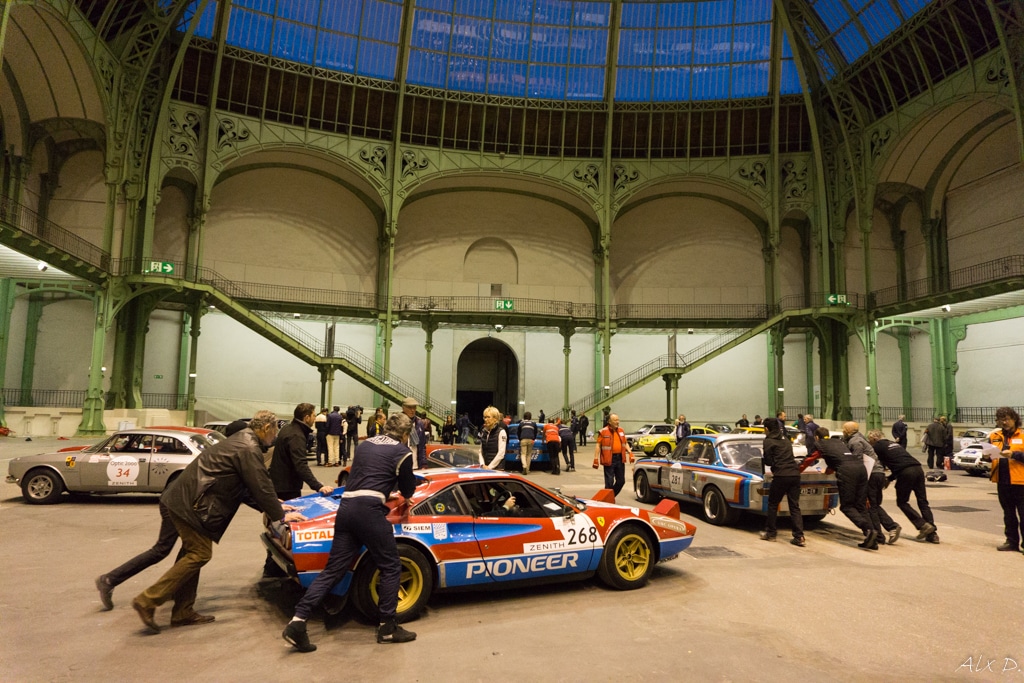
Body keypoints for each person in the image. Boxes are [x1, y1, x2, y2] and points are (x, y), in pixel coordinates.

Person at [131, 411, 306, 633]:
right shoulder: (248, 448)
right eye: (274, 432)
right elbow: (259, 484)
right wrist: (280, 515)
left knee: (190, 554)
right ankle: (148, 600)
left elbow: (250, 489)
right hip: (191, 506)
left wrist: (275, 504)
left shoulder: (242, 440)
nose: (275, 437)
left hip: (183, 500)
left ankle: (183, 611)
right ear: (266, 429)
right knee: (200, 554)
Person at [282, 413, 418, 651]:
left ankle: (298, 621)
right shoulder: (402, 452)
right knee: (391, 565)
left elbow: (365, 476)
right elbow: (408, 489)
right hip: (369, 511)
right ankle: (387, 626)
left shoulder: (366, 445)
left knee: (334, 569)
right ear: (405, 435)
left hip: (346, 509)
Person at [266, 403, 333, 576]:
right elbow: (300, 465)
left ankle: (272, 567)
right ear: (307, 417)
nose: (314, 417)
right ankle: (282, 567)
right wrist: (318, 486)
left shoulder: (289, 429)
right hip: (286, 489)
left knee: (276, 529)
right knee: (287, 529)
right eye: (313, 414)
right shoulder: (296, 435)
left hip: (280, 484)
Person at [803, 426, 877, 550]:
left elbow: (809, 460)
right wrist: (828, 470)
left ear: (816, 437)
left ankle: (868, 528)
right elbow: (838, 458)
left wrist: (796, 470)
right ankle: (871, 537)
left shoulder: (820, 444)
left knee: (847, 506)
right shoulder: (839, 442)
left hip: (847, 472)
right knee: (860, 505)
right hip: (860, 468)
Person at [867, 430, 938, 543]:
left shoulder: (877, 447)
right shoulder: (894, 444)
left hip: (905, 473)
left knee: (902, 502)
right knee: (923, 502)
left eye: (870, 440)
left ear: (873, 439)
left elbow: (874, 463)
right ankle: (933, 534)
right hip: (917, 468)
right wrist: (890, 478)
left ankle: (922, 525)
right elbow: (900, 462)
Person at [843, 421, 901, 546]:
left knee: (869, 506)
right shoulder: (860, 439)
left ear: (848, 431)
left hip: (871, 474)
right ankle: (891, 527)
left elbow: (857, 461)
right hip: (878, 473)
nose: (843, 432)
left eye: (844, 429)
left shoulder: (855, 442)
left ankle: (879, 535)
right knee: (873, 505)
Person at [759, 417, 804, 547]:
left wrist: (772, 463)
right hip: (795, 474)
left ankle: (771, 533)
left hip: (781, 475)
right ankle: (799, 536)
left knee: (773, 504)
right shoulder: (785, 439)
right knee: (794, 506)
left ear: (766, 429)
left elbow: (768, 461)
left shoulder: (768, 441)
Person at [989, 407, 1024, 552]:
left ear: (1014, 419)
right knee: (1008, 514)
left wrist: (1014, 455)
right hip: (1002, 481)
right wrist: (987, 456)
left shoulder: (1022, 435)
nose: (1004, 422)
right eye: (1001, 419)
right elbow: (992, 454)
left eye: (1007, 419)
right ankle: (1011, 541)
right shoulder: (995, 435)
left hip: (1021, 482)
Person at [593, 413, 631, 496]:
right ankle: (608, 500)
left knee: (621, 481)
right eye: (615, 420)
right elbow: (598, 445)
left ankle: (609, 496)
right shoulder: (603, 431)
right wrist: (596, 459)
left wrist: (630, 452)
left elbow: (625, 443)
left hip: (620, 459)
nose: (618, 422)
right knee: (609, 482)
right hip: (609, 459)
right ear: (609, 421)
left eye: (618, 420)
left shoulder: (621, 431)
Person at [401, 397, 427, 469]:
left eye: (414, 407)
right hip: (402, 463)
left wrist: (423, 463)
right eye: (409, 407)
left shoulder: (419, 423)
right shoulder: (397, 422)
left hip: (416, 464)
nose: (412, 410)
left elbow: (422, 446)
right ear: (403, 408)